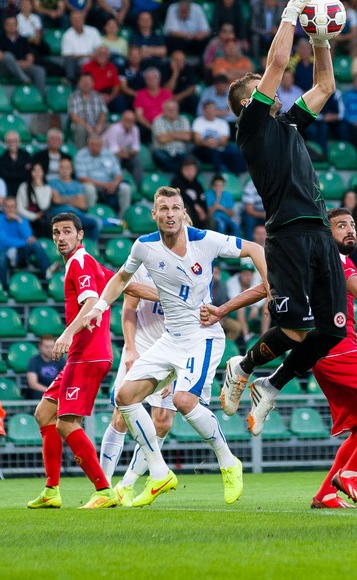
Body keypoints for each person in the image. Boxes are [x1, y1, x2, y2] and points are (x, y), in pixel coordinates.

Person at [206, 208, 357, 508]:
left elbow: (266, 286)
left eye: (352, 224)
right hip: (337, 349)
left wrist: (223, 309)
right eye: (341, 225)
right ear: (326, 233)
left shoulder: (312, 261)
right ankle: (351, 473)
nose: (350, 230)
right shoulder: (335, 259)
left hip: (323, 353)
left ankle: (326, 493)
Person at [220, 0, 353, 438]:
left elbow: (325, 84)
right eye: (261, 89)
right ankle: (242, 368)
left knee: (334, 330)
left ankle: (271, 384)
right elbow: (277, 61)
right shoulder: (253, 127)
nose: (272, 88)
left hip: (318, 233)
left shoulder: (288, 123)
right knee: (295, 332)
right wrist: (292, 11)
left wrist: (319, 41)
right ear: (246, 103)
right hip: (287, 235)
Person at [82, 188, 265, 507]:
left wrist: (271, 289)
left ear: (183, 213)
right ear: (154, 215)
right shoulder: (144, 246)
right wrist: (99, 306)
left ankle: (228, 461)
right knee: (124, 397)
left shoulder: (204, 240)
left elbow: (254, 249)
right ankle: (157, 471)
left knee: (183, 400)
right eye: (163, 208)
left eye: (175, 208)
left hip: (203, 335)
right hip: (169, 340)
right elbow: (121, 279)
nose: (169, 213)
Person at [26, 213, 117, 509]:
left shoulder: (79, 262)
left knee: (66, 424)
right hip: (84, 355)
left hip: (86, 354)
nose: (60, 237)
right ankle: (52, 490)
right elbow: (119, 285)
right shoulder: (90, 264)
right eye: (56, 233)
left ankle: (104, 490)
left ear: (80, 235)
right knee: (44, 414)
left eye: (67, 231)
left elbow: (91, 302)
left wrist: (65, 335)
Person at [98, 264, 169, 501]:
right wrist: (130, 349)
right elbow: (128, 307)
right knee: (120, 417)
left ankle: (126, 485)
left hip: (173, 352)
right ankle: (102, 487)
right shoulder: (144, 261)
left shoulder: (194, 267)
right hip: (141, 348)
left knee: (162, 423)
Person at [0, 196, 50, 288]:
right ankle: (3, 289)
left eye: (12, 206)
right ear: (3, 208)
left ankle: (48, 273)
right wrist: (25, 242)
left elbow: (29, 237)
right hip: (1, 250)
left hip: (19, 252)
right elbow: (4, 241)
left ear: (16, 208)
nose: (10, 209)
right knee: (1, 258)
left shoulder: (21, 220)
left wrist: (19, 220)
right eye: (7, 206)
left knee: (36, 244)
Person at [48, 156, 101, 240]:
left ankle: (88, 249)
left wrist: (63, 199)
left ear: (71, 169)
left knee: (96, 223)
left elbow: (82, 204)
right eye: (62, 167)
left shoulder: (77, 185)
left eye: (67, 167)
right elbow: (56, 200)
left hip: (76, 215)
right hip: (59, 214)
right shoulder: (52, 182)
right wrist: (74, 199)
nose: (64, 170)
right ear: (58, 169)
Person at [102, 109, 142, 186]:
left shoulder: (135, 129)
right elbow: (113, 150)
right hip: (107, 155)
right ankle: (115, 185)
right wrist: (127, 152)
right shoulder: (114, 128)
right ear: (122, 120)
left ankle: (138, 186)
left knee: (136, 160)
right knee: (115, 159)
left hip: (124, 155)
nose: (129, 122)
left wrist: (127, 152)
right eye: (127, 119)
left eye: (131, 120)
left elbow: (136, 148)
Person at [26, 335, 64, 400]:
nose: (49, 350)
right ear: (40, 346)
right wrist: (50, 392)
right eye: (46, 347)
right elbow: (33, 384)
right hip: (41, 392)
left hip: (58, 390)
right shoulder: (34, 361)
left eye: (52, 347)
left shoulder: (61, 360)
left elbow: (67, 378)